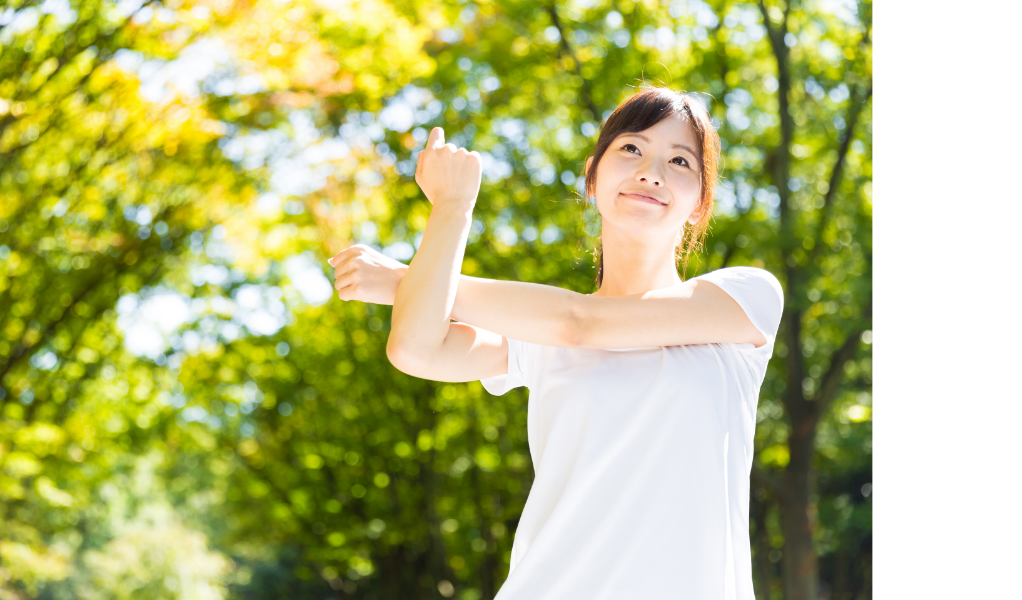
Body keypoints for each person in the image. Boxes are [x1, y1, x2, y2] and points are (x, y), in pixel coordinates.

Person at [327, 86, 783, 600]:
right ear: (592, 176)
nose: (651, 171)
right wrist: (452, 208)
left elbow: (580, 323)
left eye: (679, 160)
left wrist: (405, 281)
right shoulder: (534, 335)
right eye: (631, 148)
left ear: (701, 204)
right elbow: (414, 348)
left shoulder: (744, 301)